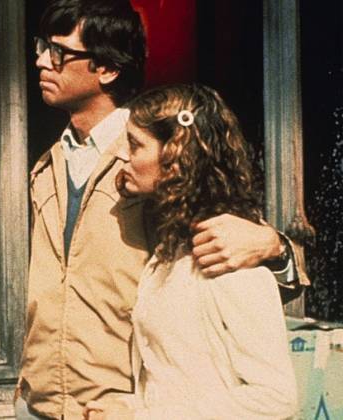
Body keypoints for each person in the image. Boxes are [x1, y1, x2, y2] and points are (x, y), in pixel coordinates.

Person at [17, 1, 307, 418]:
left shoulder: (157, 163)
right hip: (45, 405)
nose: (42, 61)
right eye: (42, 46)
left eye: (59, 52)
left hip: (126, 406)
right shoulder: (47, 167)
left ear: (107, 69)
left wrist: (276, 248)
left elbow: (245, 266)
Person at [83, 83, 297, 419]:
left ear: (175, 158)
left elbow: (276, 399)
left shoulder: (229, 255)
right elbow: (178, 378)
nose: (121, 154)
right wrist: (129, 406)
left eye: (135, 144)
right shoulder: (172, 250)